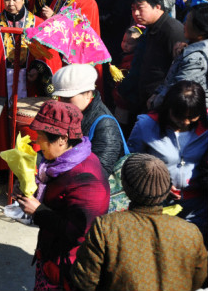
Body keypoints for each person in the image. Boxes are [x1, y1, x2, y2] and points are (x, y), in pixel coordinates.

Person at [71, 153, 208, 291]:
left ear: (126, 187)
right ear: (166, 188)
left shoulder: (106, 226)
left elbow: (84, 281)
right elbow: (198, 279)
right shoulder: (190, 232)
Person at [15, 100, 110, 291]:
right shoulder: (61, 163)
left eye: (41, 137)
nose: (37, 143)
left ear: (62, 139)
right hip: (51, 252)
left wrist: (39, 211)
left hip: (68, 267)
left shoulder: (87, 181)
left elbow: (80, 232)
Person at [0, 0, 60, 172]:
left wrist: (37, 69)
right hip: (1, 82)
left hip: (29, 85)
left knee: (29, 128)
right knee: (1, 126)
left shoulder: (38, 24)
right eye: (7, 0)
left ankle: (30, 170)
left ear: (24, 0)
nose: (11, 4)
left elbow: (50, 55)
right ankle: (4, 169)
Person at [129, 81, 208, 241]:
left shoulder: (206, 128)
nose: (185, 122)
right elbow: (130, 162)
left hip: (197, 207)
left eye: (191, 117)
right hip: (159, 206)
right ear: (168, 108)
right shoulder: (147, 125)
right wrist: (156, 182)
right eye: (179, 116)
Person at [52, 64, 124, 175]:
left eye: (68, 98)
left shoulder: (106, 125)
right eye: (61, 98)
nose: (63, 102)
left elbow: (100, 170)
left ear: (88, 93)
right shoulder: (70, 113)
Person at [150, 4, 208, 110]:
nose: (184, 24)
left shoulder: (196, 58)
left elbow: (178, 90)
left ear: (201, 29)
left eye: (188, 21)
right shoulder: (188, 47)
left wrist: (155, 102)